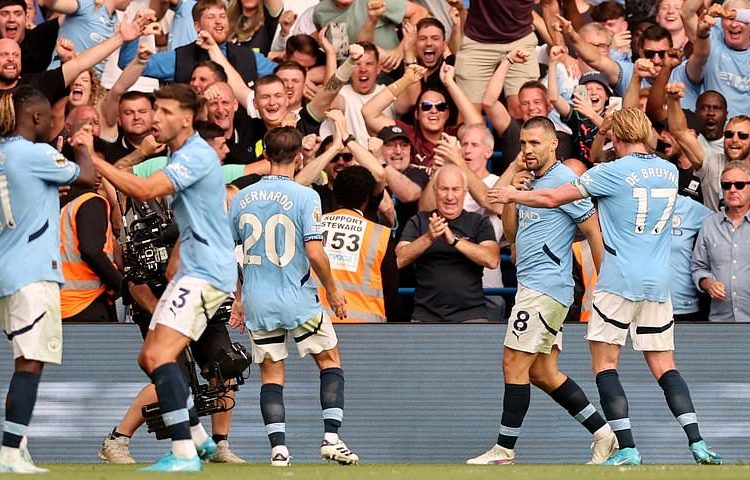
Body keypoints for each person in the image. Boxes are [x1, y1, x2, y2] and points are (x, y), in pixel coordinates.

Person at [488, 107, 723, 466]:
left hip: (618, 279)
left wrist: (511, 196)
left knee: (605, 366)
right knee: (665, 366)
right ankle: (697, 442)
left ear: (618, 136)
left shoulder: (609, 173)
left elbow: (555, 198)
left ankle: (625, 446)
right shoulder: (669, 171)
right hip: (659, 284)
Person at [92, 84, 237, 472]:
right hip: (195, 268)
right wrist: (177, 258)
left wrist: (93, 159)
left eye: (165, 112)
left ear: (186, 119)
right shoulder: (180, 153)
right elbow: (194, 216)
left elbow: (142, 188)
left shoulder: (194, 155)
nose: (156, 118)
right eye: (156, 110)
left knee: (160, 355)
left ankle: (186, 452)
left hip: (207, 271)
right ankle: (198, 437)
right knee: (149, 358)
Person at [466, 116, 616, 465]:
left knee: (512, 363)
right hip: (532, 286)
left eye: (534, 143)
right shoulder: (530, 183)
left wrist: (604, 285)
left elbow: (593, 232)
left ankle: (504, 450)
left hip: (545, 288)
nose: (527, 150)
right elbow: (511, 232)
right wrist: (513, 196)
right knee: (542, 373)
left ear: (553, 144)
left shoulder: (565, 181)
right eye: (522, 144)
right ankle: (604, 435)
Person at [229, 126, 357, 466]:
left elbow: (236, 254)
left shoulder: (240, 198)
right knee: (329, 360)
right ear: (299, 155)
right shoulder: (305, 196)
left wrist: (239, 299)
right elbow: (314, 253)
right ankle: (331, 438)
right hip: (298, 297)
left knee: (272, 374)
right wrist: (333, 290)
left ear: (265, 156)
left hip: (258, 299)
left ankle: (279, 450)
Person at [0, 85, 96, 473]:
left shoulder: (5, 153)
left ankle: (17, 448)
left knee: (24, 360)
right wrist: (83, 145)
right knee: (30, 363)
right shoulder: (36, 154)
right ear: (36, 119)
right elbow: (87, 178)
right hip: (33, 273)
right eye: (50, 117)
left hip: (8, 266)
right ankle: (8, 452)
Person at [397, 164, 499, 322]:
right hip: (425, 316)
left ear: (465, 192)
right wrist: (428, 238)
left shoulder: (479, 222)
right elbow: (398, 260)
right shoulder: (419, 220)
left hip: (471, 316)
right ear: (435, 190)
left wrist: (454, 241)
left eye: (455, 189)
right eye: (444, 189)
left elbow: (492, 259)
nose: (449, 196)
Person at [319, 165, 399, 323]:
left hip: (318, 324)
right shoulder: (379, 235)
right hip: (366, 327)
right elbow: (391, 290)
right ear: (367, 198)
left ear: (335, 193)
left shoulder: (314, 226)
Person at [692, 161, 750, 322]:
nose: (732, 190)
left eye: (739, 185)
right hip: (721, 321)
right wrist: (708, 283)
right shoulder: (709, 224)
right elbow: (698, 267)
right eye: (726, 185)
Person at [670, 195, 711, 321]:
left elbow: (724, 226)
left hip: (682, 307)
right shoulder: (632, 204)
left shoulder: (690, 208)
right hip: (641, 305)